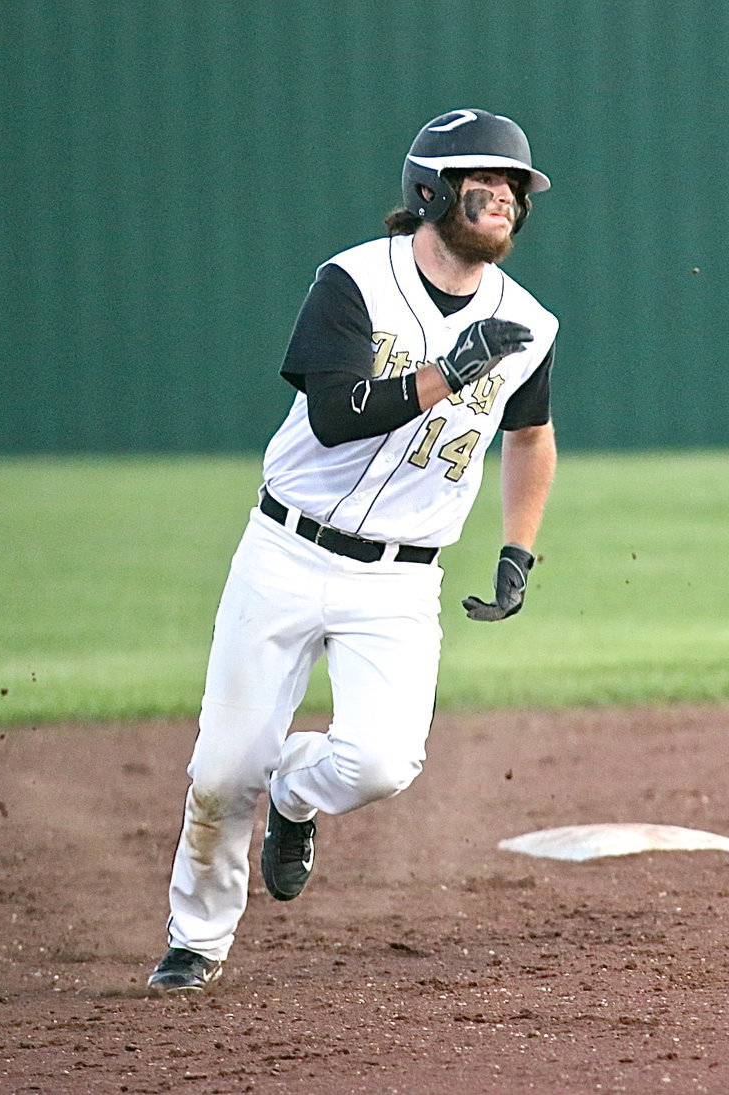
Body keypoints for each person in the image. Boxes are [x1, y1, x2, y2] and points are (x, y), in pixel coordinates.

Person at [147, 108, 559, 992]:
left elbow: (530, 434)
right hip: (286, 552)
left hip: (401, 580)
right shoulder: (354, 282)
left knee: (378, 763)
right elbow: (334, 416)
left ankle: (294, 796)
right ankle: (197, 939)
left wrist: (518, 548)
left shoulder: (528, 320)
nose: (506, 201)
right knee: (222, 771)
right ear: (429, 192)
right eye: (484, 184)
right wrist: (451, 368)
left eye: (516, 188)